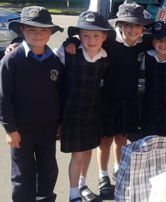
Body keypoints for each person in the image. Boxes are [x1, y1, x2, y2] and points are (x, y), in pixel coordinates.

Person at [63, 2, 154, 198]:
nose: (133, 29)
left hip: (128, 99)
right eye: (127, 24)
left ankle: (118, 169)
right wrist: (67, 42)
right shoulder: (109, 40)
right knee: (104, 141)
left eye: (138, 25)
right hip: (105, 99)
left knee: (122, 139)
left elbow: (165, 41)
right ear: (119, 25)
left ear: (142, 28)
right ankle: (103, 175)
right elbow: (83, 38)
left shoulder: (144, 43)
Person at [0, 6, 63, 202]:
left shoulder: (55, 62)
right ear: (22, 31)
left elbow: (60, 94)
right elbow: (3, 97)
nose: (38, 34)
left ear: (51, 32)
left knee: (48, 168)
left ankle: (45, 199)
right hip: (21, 129)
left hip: (48, 127)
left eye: (44, 30)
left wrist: (60, 123)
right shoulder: (11, 60)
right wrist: (10, 129)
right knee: (22, 172)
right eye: (32, 30)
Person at [55, 11, 110, 202]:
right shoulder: (67, 52)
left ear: (104, 36)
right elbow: (46, 60)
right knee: (78, 154)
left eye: (96, 35)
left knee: (87, 151)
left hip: (92, 112)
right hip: (72, 112)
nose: (91, 39)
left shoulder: (104, 58)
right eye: (86, 35)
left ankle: (82, 185)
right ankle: (73, 194)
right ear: (78, 36)